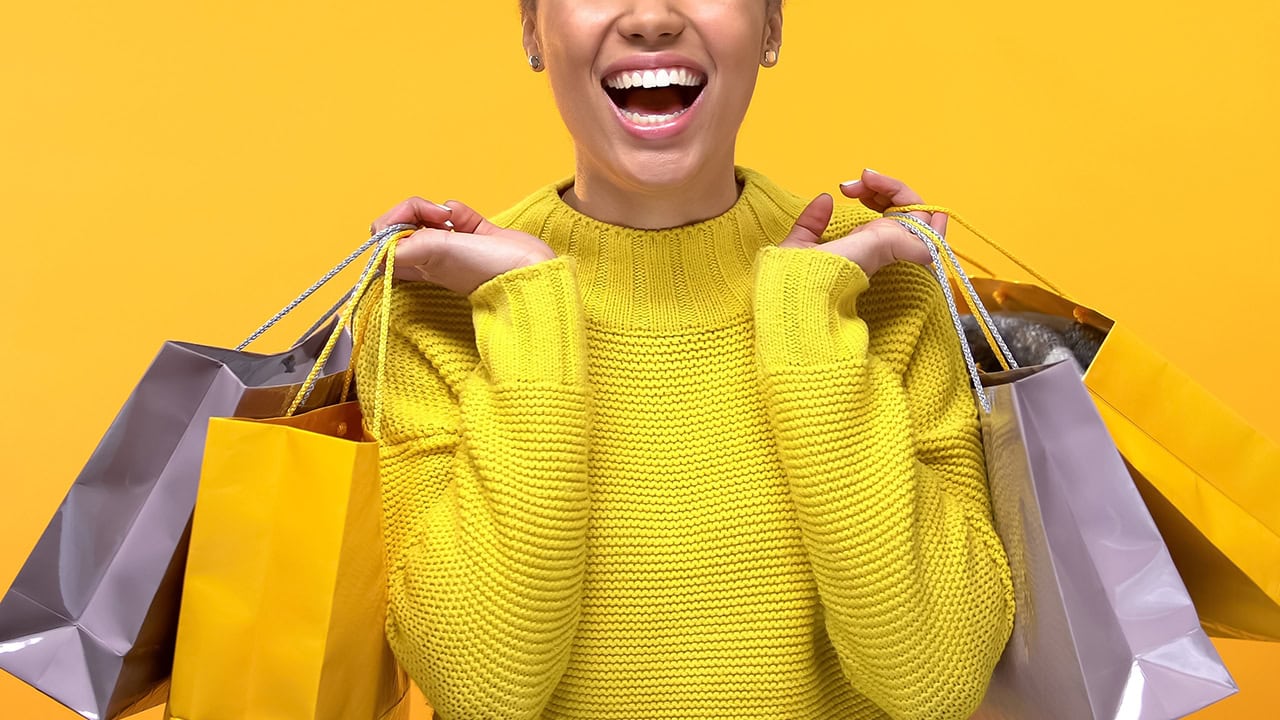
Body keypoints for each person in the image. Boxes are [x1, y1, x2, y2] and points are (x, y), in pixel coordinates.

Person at [355, 1, 1015, 718]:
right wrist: (529, 313)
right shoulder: (434, 301)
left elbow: (942, 682)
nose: (651, 18)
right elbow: (482, 692)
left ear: (771, 27)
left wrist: (807, 319)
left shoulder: (876, 279)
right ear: (531, 30)